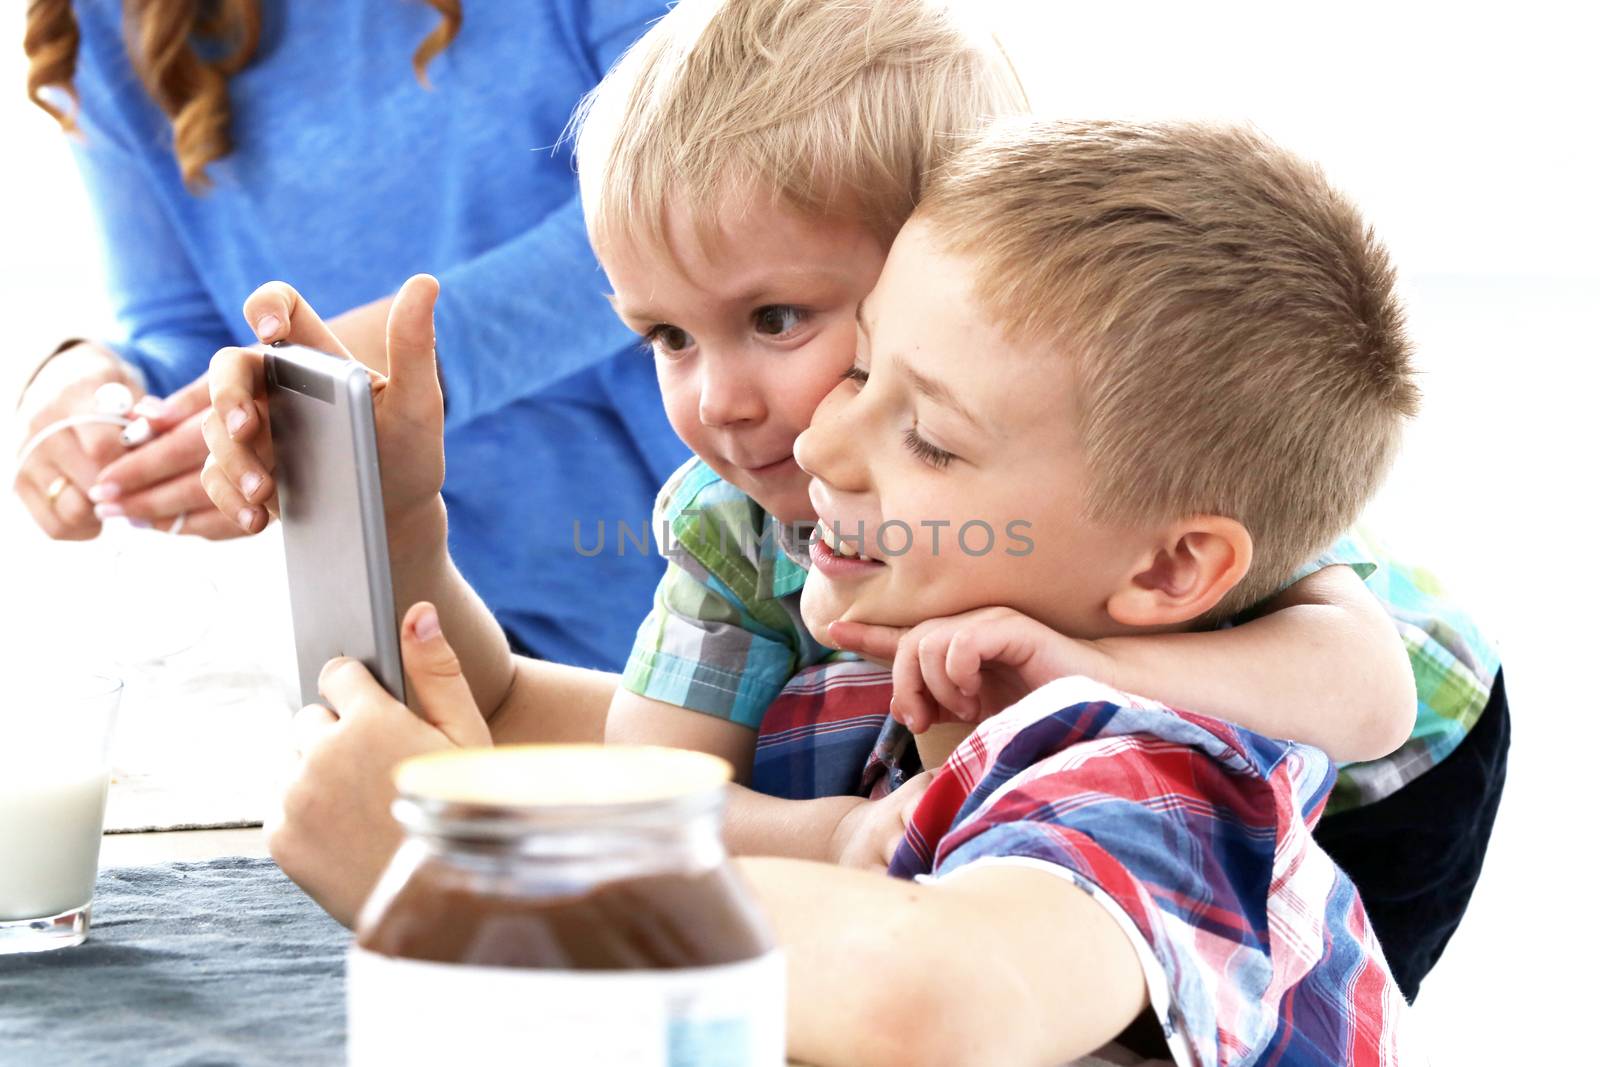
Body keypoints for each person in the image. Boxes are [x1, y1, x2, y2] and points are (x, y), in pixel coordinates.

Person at [208, 0, 1501, 999]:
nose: (719, 400)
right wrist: (391, 520)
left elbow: (1368, 688)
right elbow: (655, 781)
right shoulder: (734, 521)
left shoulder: (1134, 455)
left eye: (780, 318)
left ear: (958, 262)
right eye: (663, 335)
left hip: (1388, 780)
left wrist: (1088, 665)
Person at [15, 0, 680, 668]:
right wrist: (91, 380)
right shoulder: (106, 20)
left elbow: (684, 203)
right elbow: (186, 328)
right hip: (410, 620)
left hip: (694, 574)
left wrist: (344, 379)